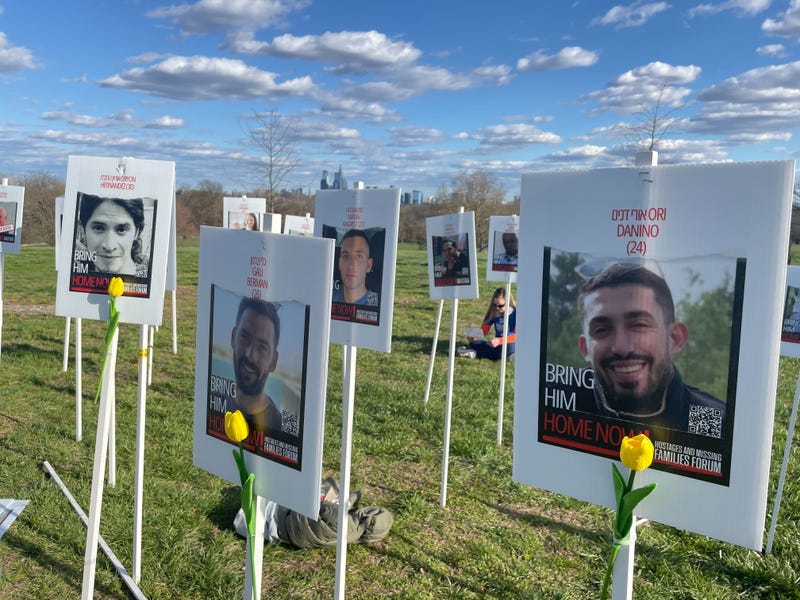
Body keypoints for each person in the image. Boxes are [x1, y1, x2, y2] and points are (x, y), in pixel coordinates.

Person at [577, 262, 725, 435]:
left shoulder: (717, 423)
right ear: (585, 347)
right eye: (602, 330)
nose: (622, 348)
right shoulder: (559, 405)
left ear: (675, 339)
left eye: (639, 325)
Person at [230, 297, 284, 434]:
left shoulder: (281, 428)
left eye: (262, 347)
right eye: (244, 337)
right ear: (233, 338)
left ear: (274, 361)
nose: (250, 355)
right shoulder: (215, 402)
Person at [78, 194, 147, 276]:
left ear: (137, 232)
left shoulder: (153, 275)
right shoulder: (72, 272)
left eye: (121, 230)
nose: (109, 247)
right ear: (82, 229)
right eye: (98, 228)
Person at [458, 288, 517, 361]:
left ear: (508, 302)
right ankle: (507, 356)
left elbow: (517, 337)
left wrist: (500, 340)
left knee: (508, 347)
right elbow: (483, 332)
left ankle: (476, 354)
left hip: (510, 343)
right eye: (495, 304)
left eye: (500, 306)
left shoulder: (516, 313)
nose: (497, 308)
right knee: (475, 343)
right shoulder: (493, 312)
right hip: (497, 344)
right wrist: (474, 336)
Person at [333, 229, 379, 305]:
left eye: (359, 256)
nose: (351, 265)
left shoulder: (378, 306)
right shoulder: (327, 299)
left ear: (369, 265)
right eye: (346, 256)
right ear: (340, 263)